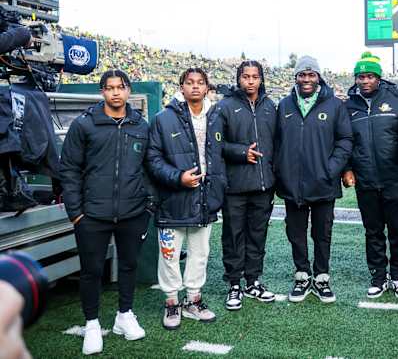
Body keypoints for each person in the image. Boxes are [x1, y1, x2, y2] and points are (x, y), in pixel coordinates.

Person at [60, 70, 151, 355]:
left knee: (128, 265)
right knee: (92, 271)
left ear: (128, 91)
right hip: (92, 215)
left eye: (120, 87)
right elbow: (69, 170)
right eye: (109, 88)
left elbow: (149, 167)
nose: (115, 93)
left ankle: (125, 315)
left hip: (133, 212)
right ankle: (92, 324)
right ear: (102, 92)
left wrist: (147, 205)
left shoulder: (141, 125)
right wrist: (76, 213)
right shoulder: (84, 125)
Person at [147, 67, 225, 329]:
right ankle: (172, 302)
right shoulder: (163, 118)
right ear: (181, 87)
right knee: (169, 254)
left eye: (200, 83)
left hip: (204, 199)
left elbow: (221, 153)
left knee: (200, 253)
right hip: (173, 199)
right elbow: (153, 159)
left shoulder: (215, 117)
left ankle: (193, 300)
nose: (194, 87)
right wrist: (177, 177)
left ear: (206, 88)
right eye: (189, 82)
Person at [275, 56, 352, 304]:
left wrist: (331, 168)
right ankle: (302, 275)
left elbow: (345, 140)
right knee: (295, 233)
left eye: (311, 75)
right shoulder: (285, 105)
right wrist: (281, 170)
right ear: (295, 77)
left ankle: (321, 277)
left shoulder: (334, 105)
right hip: (292, 183)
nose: (307, 79)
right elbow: (277, 142)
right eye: (302, 75)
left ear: (319, 77)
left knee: (322, 233)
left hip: (324, 182)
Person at [343, 52, 398, 299]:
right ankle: (378, 276)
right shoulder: (347, 106)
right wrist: (347, 168)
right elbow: (345, 141)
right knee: (373, 231)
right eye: (360, 76)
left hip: (396, 178)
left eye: (370, 76)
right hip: (366, 180)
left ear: (379, 78)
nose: (364, 81)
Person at [218, 60, 277, 310]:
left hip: (264, 186)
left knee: (257, 235)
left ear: (261, 79)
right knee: (233, 236)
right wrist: (241, 152)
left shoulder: (270, 106)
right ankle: (234, 284)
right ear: (238, 79)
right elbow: (216, 144)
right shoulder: (225, 106)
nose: (250, 81)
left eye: (255, 77)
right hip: (235, 186)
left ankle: (253, 281)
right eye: (245, 77)